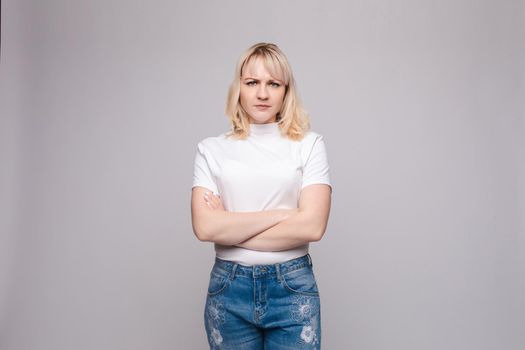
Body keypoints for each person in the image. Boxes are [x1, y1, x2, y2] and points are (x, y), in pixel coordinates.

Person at [191, 42, 332, 349]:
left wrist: (228, 226)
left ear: (286, 90)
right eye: (252, 82)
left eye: (273, 84)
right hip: (229, 289)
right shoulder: (211, 150)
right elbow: (204, 228)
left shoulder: (309, 144)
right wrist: (286, 214)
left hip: (292, 287)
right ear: (238, 88)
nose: (263, 94)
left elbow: (312, 227)